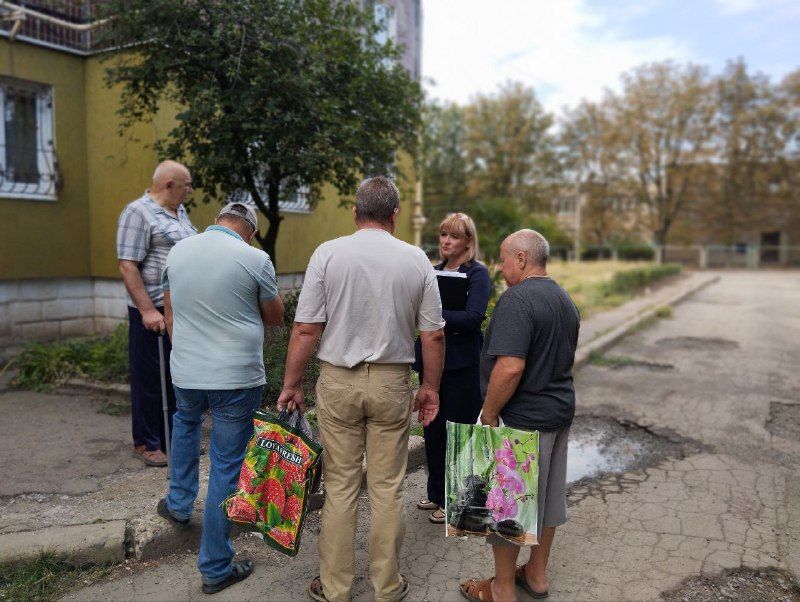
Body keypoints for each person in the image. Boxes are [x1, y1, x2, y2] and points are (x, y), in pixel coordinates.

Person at [277, 176, 445, 602]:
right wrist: (430, 388)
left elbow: (305, 328)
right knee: (388, 488)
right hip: (392, 382)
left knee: (341, 486)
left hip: (338, 381)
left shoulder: (328, 253)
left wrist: (291, 384)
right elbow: (433, 336)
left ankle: (335, 588)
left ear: (355, 213)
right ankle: (387, 587)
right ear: (395, 214)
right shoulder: (417, 261)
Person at [156, 202, 284, 595]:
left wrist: (186, 354)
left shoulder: (177, 252)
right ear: (249, 230)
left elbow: (170, 312)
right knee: (227, 462)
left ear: (218, 222)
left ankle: (178, 504)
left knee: (185, 426)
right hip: (234, 375)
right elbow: (274, 316)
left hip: (187, 370)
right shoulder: (254, 258)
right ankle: (214, 566)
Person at [460, 229, 580, 602]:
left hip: (523, 420)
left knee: (506, 509)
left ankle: (502, 589)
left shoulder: (517, 299)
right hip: (558, 415)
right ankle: (537, 576)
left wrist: (489, 414)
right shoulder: (564, 298)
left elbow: (510, 367)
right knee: (547, 500)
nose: (500, 266)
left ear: (522, 259)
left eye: (503, 258)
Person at [116, 160, 197, 467]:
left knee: (176, 374)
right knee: (150, 377)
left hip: (178, 306)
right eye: (187, 184)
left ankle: (174, 440)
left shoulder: (179, 212)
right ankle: (146, 442)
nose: (189, 190)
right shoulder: (137, 212)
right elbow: (127, 264)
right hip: (151, 308)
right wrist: (147, 310)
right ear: (169, 185)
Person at [413, 213, 492, 524]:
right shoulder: (432, 272)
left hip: (462, 364)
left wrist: (433, 316)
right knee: (432, 431)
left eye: (454, 236)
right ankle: (435, 492)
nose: (446, 241)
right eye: (443, 235)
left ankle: (454, 499)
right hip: (432, 363)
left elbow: (474, 318)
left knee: (456, 434)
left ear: (468, 241)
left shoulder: (477, 274)